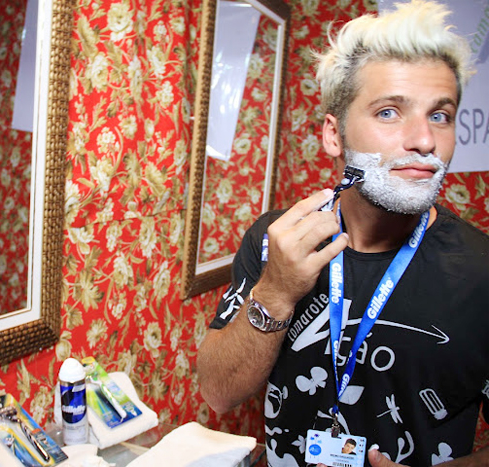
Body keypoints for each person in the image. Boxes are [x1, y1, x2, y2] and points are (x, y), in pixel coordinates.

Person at [196, 1, 489, 466]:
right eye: (390, 112)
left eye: (440, 116)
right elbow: (218, 393)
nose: (425, 140)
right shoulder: (277, 239)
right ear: (334, 135)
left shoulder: (481, 273)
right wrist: (275, 291)